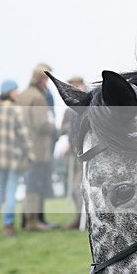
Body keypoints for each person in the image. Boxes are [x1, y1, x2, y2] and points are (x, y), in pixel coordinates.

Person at [0, 80, 34, 238]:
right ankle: (8, 225)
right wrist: (30, 154)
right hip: (13, 158)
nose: (18, 93)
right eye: (16, 90)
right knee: (11, 191)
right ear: (9, 92)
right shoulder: (15, 110)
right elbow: (24, 135)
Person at [17, 63, 57, 231]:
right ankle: (33, 222)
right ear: (42, 80)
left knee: (30, 183)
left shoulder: (22, 96)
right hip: (39, 148)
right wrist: (55, 128)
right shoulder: (39, 98)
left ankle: (28, 220)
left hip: (24, 146)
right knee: (36, 185)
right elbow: (41, 124)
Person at [58, 76, 87, 229]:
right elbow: (62, 129)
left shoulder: (90, 104)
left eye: (76, 85)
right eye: (72, 86)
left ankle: (86, 219)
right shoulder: (69, 110)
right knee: (75, 186)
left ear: (83, 86)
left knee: (84, 185)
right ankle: (78, 217)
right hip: (73, 153)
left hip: (87, 153)